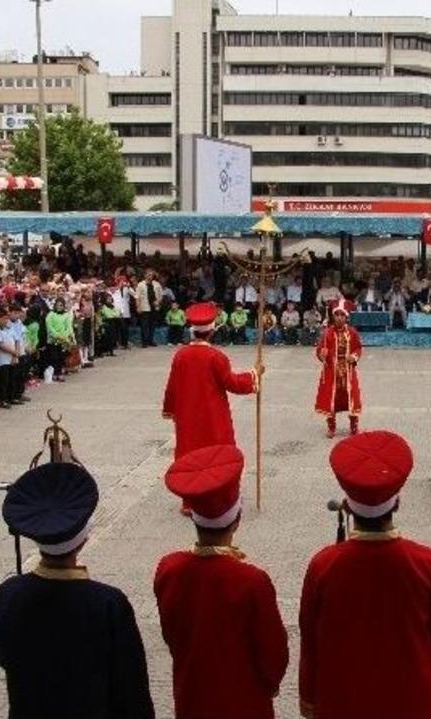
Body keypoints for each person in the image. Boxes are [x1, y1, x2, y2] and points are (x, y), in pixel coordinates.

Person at [299, 431, 431, 719]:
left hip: (344, 701)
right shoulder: (428, 563)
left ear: (348, 507)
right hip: (413, 702)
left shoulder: (322, 566)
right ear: (397, 504)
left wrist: (310, 695)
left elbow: (311, 641)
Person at [0, 463, 154, 719]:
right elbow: (131, 687)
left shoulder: (9, 594)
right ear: (83, 540)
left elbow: (3, 653)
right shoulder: (108, 603)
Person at [155, 444, 289, 719]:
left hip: (193, 694)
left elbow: (172, 635)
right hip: (245, 701)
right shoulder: (252, 580)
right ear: (237, 519)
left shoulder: (169, 569)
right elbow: (272, 652)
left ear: (193, 517)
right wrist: (271, 683)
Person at [163, 302, 262, 512]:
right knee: (218, 455)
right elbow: (232, 383)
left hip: (188, 416)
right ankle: (220, 497)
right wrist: (254, 374)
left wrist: (171, 410)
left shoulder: (180, 355)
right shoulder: (216, 357)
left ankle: (190, 502)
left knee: (189, 455)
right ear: (212, 331)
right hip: (212, 415)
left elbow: (172, 386)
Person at [315, 303, 363, 438]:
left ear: (346, 317)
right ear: (333, 316)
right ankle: (331, 427)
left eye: (342, 315)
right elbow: (319, 350)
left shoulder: (352, 332)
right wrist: (322, 354)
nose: (339, 318)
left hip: (348, 371)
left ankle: (354, 427)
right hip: (332, 371)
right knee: (331, 399)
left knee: (351, 399)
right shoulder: (327, 333)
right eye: (337, 315)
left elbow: (358, 348)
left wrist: (353, 356)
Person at [136, 270, 163, 347]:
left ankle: (150, 340)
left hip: (154, 307)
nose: (150, 276)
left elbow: (161, 295)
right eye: (148, 275)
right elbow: (137, 297)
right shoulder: (140, 284)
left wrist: (158, 302)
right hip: (144, 307)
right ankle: (144, 342)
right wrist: (138, 307)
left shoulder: (157, 284)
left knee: (152, 325)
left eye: (151, 275)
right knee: (144, 325)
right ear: (145, 275)